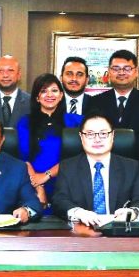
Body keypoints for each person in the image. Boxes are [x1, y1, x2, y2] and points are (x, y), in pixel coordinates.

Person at [89, 49, 139, 199]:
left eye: (127, 68)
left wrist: (109, 143)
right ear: (109, 72)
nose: (121, 72)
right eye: (116, 68)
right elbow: (92, 137)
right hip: (103, 172)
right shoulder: (95, 102)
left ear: (136, 72)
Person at [52, 113, 139, 226]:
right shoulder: (68, 167)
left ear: (112, 135)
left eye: (103, 133)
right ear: (81, 137)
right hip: (81, 232)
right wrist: (78, 213)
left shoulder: (131, 167)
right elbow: (59, 200)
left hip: (120, 233)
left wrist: (132, 213)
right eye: (90, 134)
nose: (97, 139)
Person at [16, 73, 84, 207]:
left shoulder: (76, 122)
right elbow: (23, 158)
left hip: (68, 183)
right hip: (32, 183)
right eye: (43, 91)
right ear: (37, 97)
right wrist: (38, 185)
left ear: (61, 96)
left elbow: (77, 157)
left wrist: (46, 175)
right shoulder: (24, 122)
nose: (49, 95)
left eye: (54, 90)